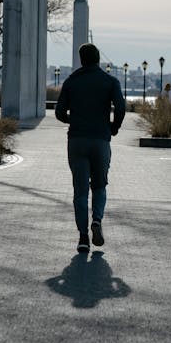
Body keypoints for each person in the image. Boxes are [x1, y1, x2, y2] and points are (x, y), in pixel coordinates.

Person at [55, 43, 126, 253]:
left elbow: (59, 113)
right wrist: (114, 127)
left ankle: (83, 237)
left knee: (80, 192)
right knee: (99, 185)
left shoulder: (71, 82)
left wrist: (73, 119)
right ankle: (97, 219)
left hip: (77, 140)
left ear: (81, 59)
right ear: (98, 60)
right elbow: (121, 107)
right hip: (100, 141)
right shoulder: (110, 81)